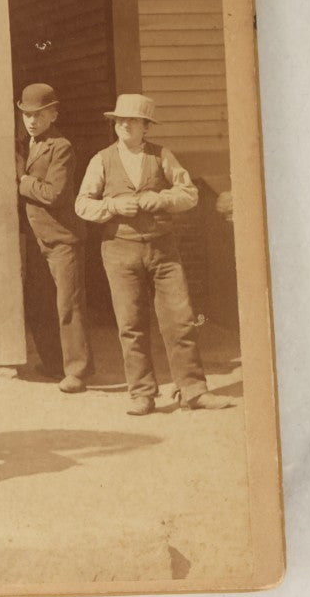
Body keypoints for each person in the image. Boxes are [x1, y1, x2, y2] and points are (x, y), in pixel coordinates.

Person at [75, 93, 235, 415]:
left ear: (146, 126)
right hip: (120, 250)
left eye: (131, 120)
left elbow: (188, 194)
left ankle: (193, 390)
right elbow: (81, 204)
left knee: (180, 320)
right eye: (119, 120)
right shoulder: (101, 160)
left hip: (163, 250)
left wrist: (161, 199)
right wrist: (111, 206)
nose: (123, 125)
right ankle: (142, 393)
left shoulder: (163, 156)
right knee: (131, 323)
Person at [15, 82, 91, 393]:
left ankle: (78, 371)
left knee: (68, 305)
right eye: (26, 114)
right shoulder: (24, 144)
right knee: (38, 304)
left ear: (53, 114)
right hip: (36, 240)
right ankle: (54, 363)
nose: (32, 120)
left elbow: (55, 193)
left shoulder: (62, 147)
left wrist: (22, 181)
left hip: (62, 239)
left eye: (39, 114)